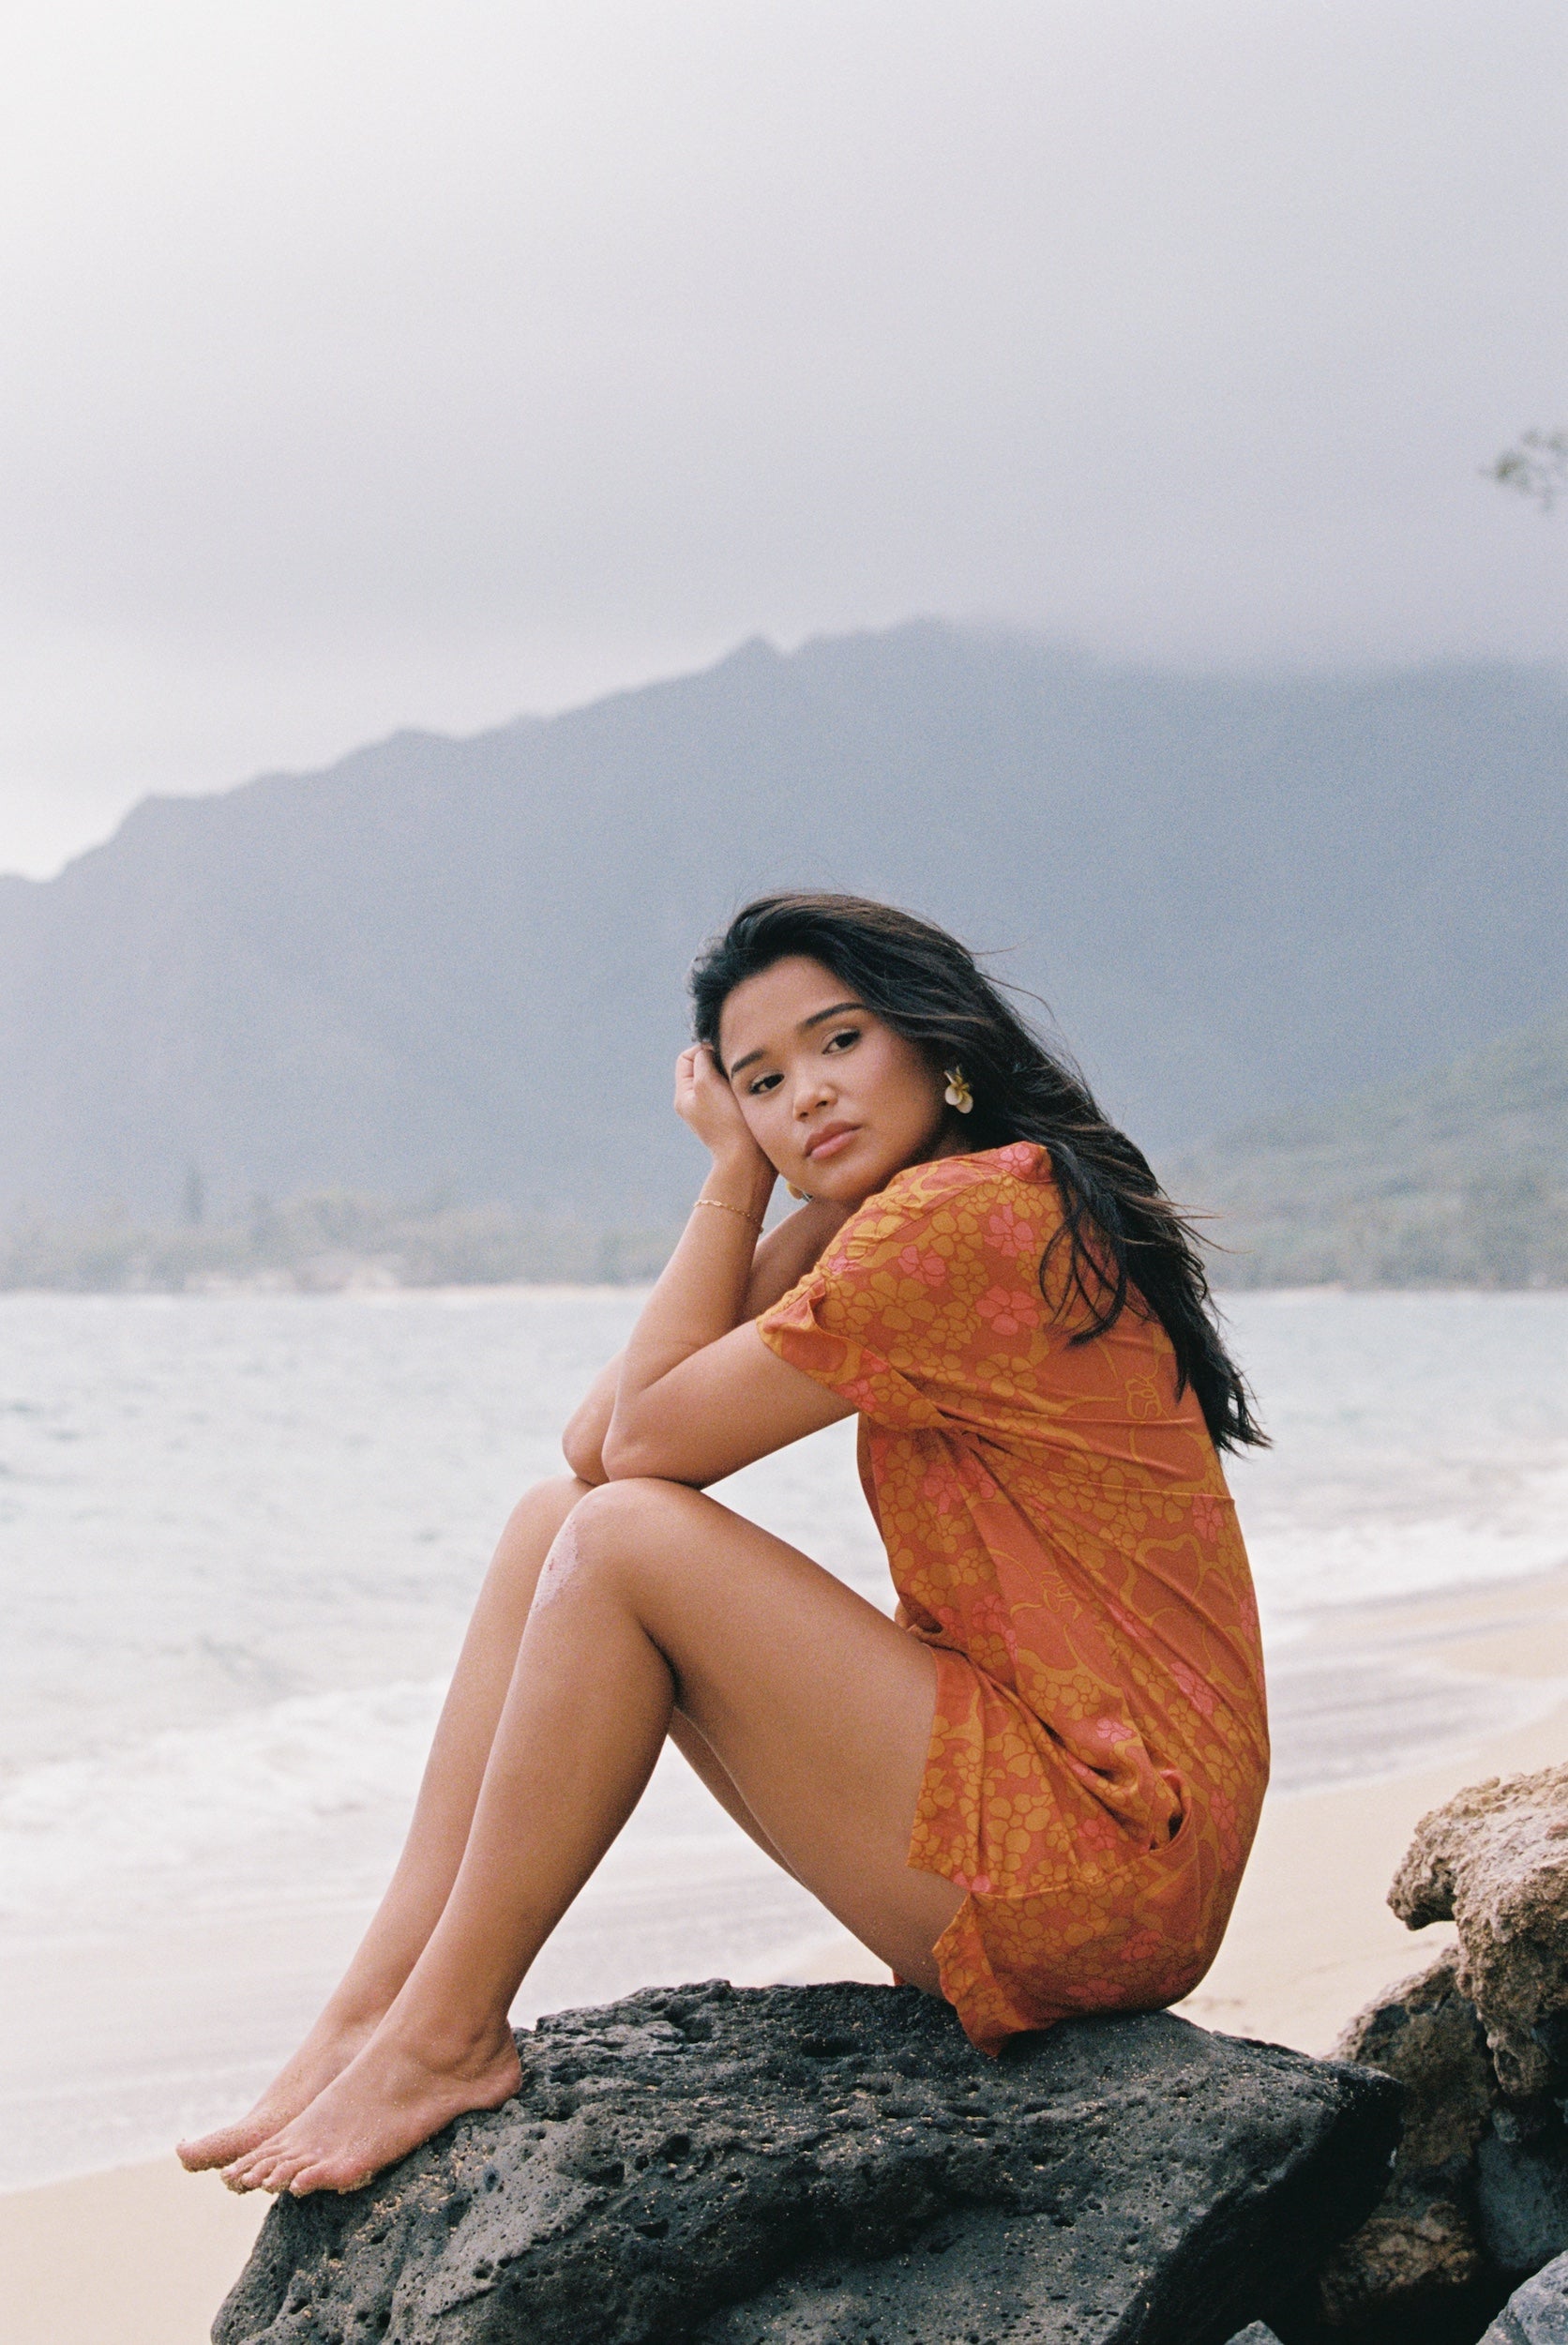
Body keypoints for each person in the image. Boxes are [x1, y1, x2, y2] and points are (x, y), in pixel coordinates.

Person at [179, 891, 1269, 2200]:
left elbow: (636, 1450)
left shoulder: (965, 1219)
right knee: (555, 1523)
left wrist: (735, 1177)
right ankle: (377, 2012)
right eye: (762, 1082)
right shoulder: (928, 1207)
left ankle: (444, 2036)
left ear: (937, 1040)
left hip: (1102, 1858)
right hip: (1093, 1853)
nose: (809, 1093)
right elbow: (594, 1444)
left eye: (840, 1041)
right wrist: (779, 1194)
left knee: (621, 1539)